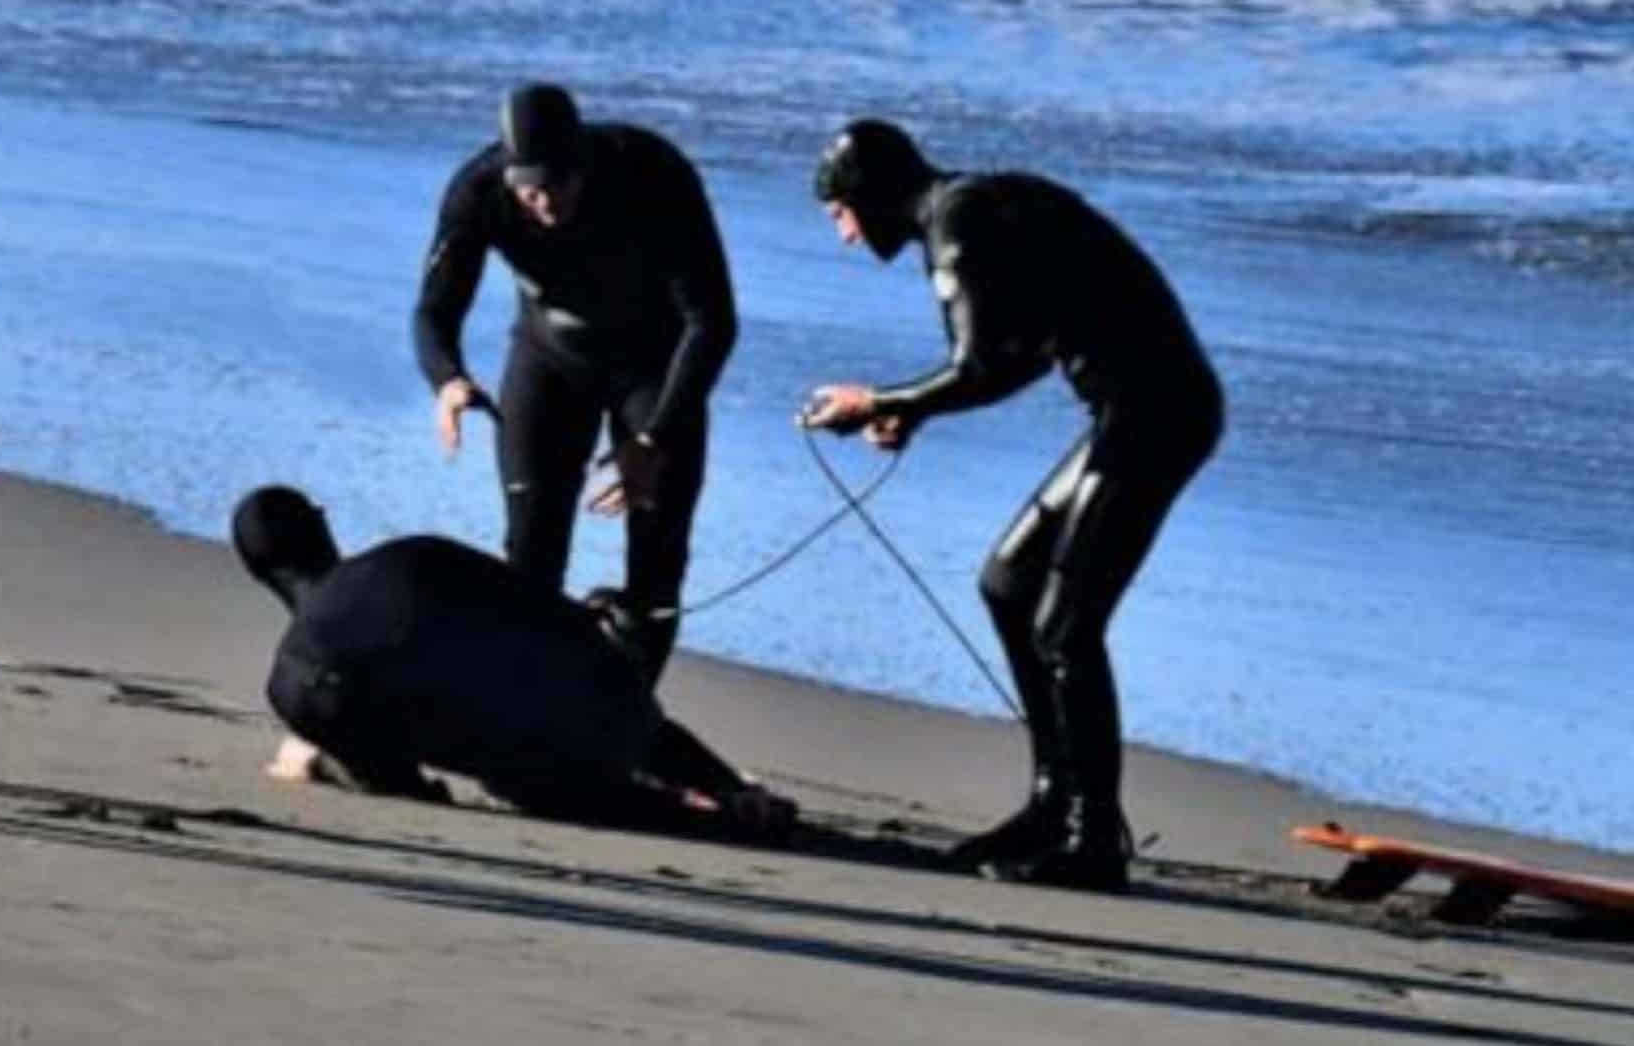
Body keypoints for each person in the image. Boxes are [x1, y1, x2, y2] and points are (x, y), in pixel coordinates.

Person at [800, 120, 1222, 892]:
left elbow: (981, 365)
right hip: (1137, 411)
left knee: (1067, 625)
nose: (845, 237)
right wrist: (914, 410)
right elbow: (1019, 352)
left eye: (841, 214)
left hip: (1156, 416)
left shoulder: (958, 227)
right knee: (1007, 585)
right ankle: (1052, 803)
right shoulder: (979, 206)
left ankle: (1094, 840)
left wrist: (880, 401)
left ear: (868, 195)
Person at [230, 485, 795, 844]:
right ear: (323, 524)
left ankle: (710, 819)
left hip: (538, 773)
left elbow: (404, 783)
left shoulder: (292, 683)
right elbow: (540, 607)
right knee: (628, 726)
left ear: (255, 573)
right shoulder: (413, 556)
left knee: (528, 775)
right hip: (605, 707)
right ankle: (726, 787)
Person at [412, 83, 736, 682]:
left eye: (559, 182)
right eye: (530, 187)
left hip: (655, 363)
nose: (546, 201)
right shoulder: (479, 191)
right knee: (531, 553)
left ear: (584, 162)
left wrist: (655, 440)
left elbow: (713, 321)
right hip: (550, 357)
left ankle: (628, 719)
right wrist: (448, 379)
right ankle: (528, 704)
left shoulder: (651, 172)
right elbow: (434, 311)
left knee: (658, 560)